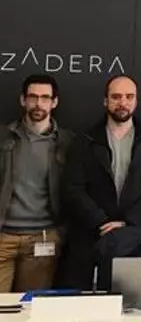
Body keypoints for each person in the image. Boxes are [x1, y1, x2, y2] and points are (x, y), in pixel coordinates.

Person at [60, 75, 141, 289]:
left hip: (136, 235)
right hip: (93, 235)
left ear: (136, 101)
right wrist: (102, 222)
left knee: (133, 299)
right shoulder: (85, 140)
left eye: (129, 97)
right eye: (116, 97)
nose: (123, 102)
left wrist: (128, 222)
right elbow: (73, 188)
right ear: (105, 101)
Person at [0, 74, 74, 292]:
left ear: (54, 102)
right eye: (32, 97)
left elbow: (77, 190)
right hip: (3, 236)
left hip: (43, 238)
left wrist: (61, 232)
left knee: (31, 306)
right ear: (23, 100)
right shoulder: (4, 138)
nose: (38, 103)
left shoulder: (68, 142)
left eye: (45, 97)